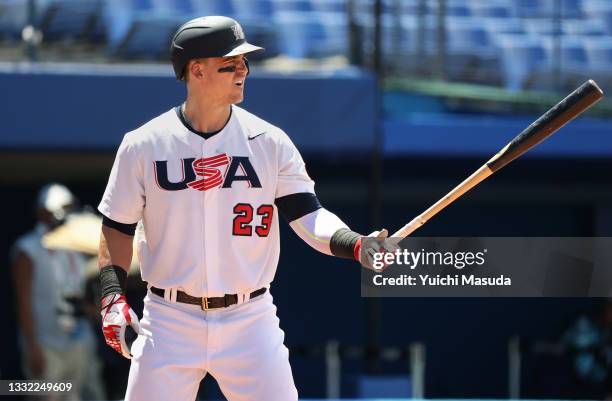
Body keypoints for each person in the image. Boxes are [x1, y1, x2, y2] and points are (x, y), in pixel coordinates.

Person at [98, 16, 396, 401]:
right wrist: (111, 296)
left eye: (244, 61)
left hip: (249, 317)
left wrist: (354, 243)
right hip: (169, 319)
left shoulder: (269, 142)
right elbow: (116, 228)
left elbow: (308, 216)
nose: (243, 69)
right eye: (230, 62)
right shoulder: (143, 144)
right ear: (196, 70)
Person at [11, 183, 95, 401]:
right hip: (45, 343)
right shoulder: (27, 249)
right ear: (41, 212)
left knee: (76, 395)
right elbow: (23, 301)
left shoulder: (77, 244)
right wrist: (32, 347)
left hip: (78, 340)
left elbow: (81, 289)